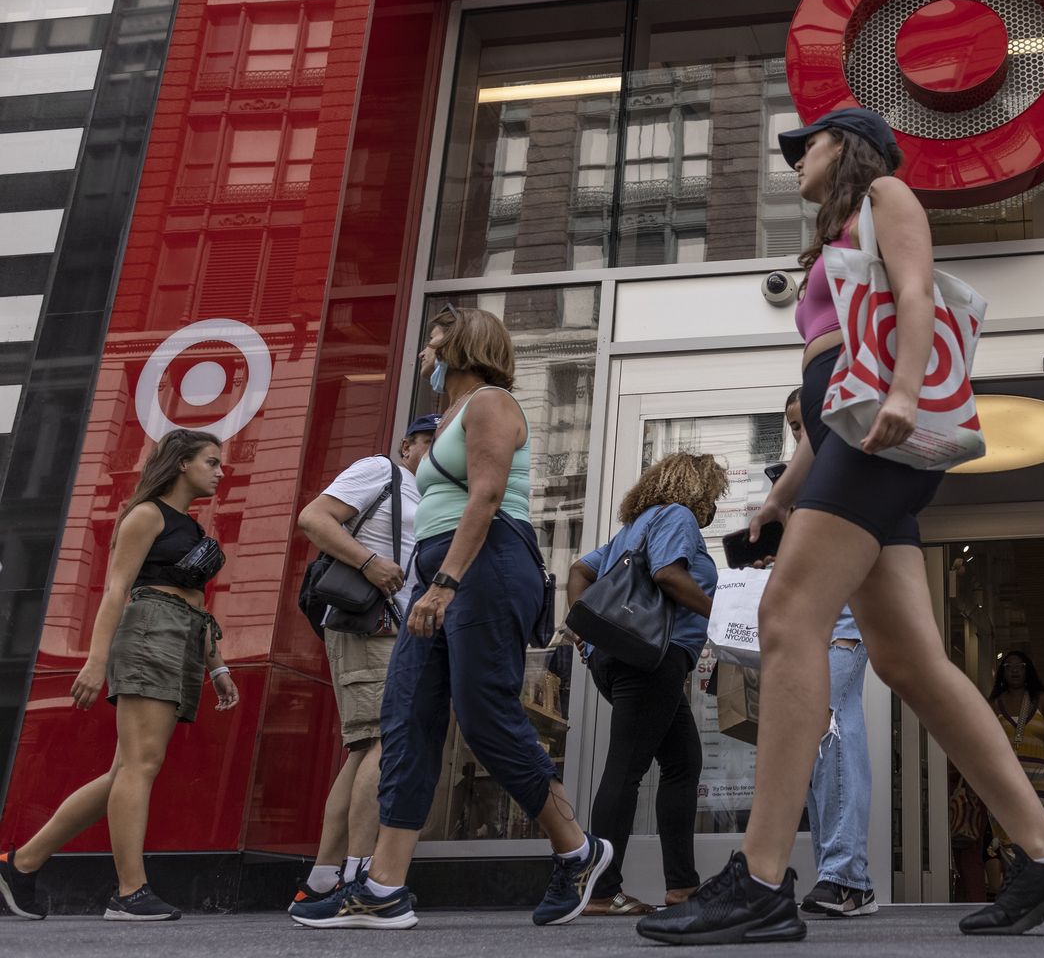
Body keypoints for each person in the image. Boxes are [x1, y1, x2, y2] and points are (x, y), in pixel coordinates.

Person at [638, 107, 1044, 945]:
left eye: (805, 146)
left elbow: (917, 293)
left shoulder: (887, 193)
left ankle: (763, 879)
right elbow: (830, 387)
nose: (796, 162)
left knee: (788, 618)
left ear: (845, 149)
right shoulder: (837, 236)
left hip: (882, 438)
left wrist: (901, 394)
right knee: (909, 661)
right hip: (852, 442)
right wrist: (786, 493)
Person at [292, 305, 612, 930]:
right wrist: (430, 583)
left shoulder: (491, 403)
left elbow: (487, 496)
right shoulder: (445, 422)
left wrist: (443, 584)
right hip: (443, 574)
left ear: (463, 346)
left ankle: (577, 850)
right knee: (407, 718)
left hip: (485, 565)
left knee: (486, 716)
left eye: (434, 341)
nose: (424, 355)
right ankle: (381, 886)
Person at [0, 430, 234, 922]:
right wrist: (94, 660)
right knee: (140, 765)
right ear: (181, 464)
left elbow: (196, 602)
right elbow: (115, 591)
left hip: (181, 637)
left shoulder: (188, 528)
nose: (220, 471)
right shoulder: (146, 515)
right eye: (211, 462)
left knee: (124, 771)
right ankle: (129, 892)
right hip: (150, 632)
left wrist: (218, 666)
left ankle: (20, 864)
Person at [286, 414, 439, 912]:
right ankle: (358, 873)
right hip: (367, 623)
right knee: (383, 741)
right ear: (406, 446)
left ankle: (326, 877)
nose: (437, 449)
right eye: (428, 440)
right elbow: (313, 517)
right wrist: (369, 562)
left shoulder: (434, 496)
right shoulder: (381, 471)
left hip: (398, 630)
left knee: (365, 748)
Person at [568, 452, 728, 916]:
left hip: (627, 659)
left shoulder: (633, 528)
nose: (713, 505)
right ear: (698, 490)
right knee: (626, 769)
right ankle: (600, 891)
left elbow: (580, 570)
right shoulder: (678, 516)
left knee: (682, 763)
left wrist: (581, 626)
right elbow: (667, 575)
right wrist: (723, 616)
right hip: (650, 659)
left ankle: (682, 887)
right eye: (712, 495)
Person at [769, 390, 881, 920]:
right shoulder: (807, 471)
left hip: (842, 618)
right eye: (792, 427)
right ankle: (838, 876)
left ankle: (846, 876)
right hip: (818, 619)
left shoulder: (849, 455)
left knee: (832, 729)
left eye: (804, 423)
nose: (799, 434)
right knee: (819, 741)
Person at [986, 652, 1044, 851]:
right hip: (1005, 776)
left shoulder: (1041, 700)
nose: (1014, 670)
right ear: (1002, 673)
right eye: (1008, 667)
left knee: (1037, 828)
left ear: (1027, 670)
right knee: (1007, 830)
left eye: (1020, 666)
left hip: (1039, 775)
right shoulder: (995, 704)